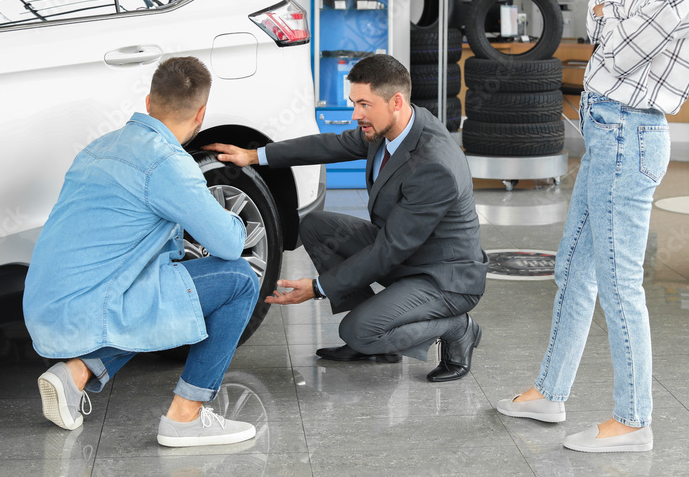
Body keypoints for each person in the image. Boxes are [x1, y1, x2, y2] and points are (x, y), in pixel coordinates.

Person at [495, 0, 689, 453]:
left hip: (628, 134)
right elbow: (600, 33)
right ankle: (550, 393)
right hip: (607, 133)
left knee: (619, 282)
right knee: (574, 267)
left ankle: (634, 419)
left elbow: (616, 49)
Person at [23, 56, 260, 448]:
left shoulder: (100, 147)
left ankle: (75, 374)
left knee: (155, 286)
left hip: (45, 306)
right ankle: (187, 416)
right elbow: (230, 244)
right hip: (90, 308)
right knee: (238, 279)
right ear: (201, 114)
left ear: (148, 102)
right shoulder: (168, 164)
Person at [205, 54, 488, 382]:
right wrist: (255, 155)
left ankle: (456, 328)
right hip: (408, 254)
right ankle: (376, 342)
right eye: (354, 103)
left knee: (356, 331)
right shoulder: (395, 125)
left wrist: (317, 287)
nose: (356, 115)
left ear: (395, 101)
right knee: (315, 225)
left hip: (443, 278)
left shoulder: (433, 166)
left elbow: (389, 250)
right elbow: (330, 144)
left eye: (363, 105)